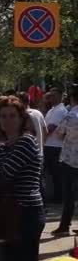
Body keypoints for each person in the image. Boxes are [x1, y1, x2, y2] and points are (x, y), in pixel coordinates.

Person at [0, 96, 44, 261]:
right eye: (3, 116)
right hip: (1, 213)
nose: (7, 120)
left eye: (12, 116)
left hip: (24, 214)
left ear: (22, 118)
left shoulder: (26, 141)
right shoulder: (3, 145)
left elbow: (5, 174)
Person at [51, 84, 78, 235]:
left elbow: (58, 134)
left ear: (72, 98)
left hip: (70, 159)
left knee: (69, 195)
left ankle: (64, 226)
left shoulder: (71, 116)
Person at [43, 88, 68, 203]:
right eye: (50, 95)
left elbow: (51, 128)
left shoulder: (61, 110)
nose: (50, 98)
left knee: (57, 173)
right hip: (48, 145)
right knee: (51, 173)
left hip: (56, 146)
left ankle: (59, 197)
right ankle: (56, 195)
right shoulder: (51, 110)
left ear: (59, 96)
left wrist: (40, 137)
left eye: (53, 95)